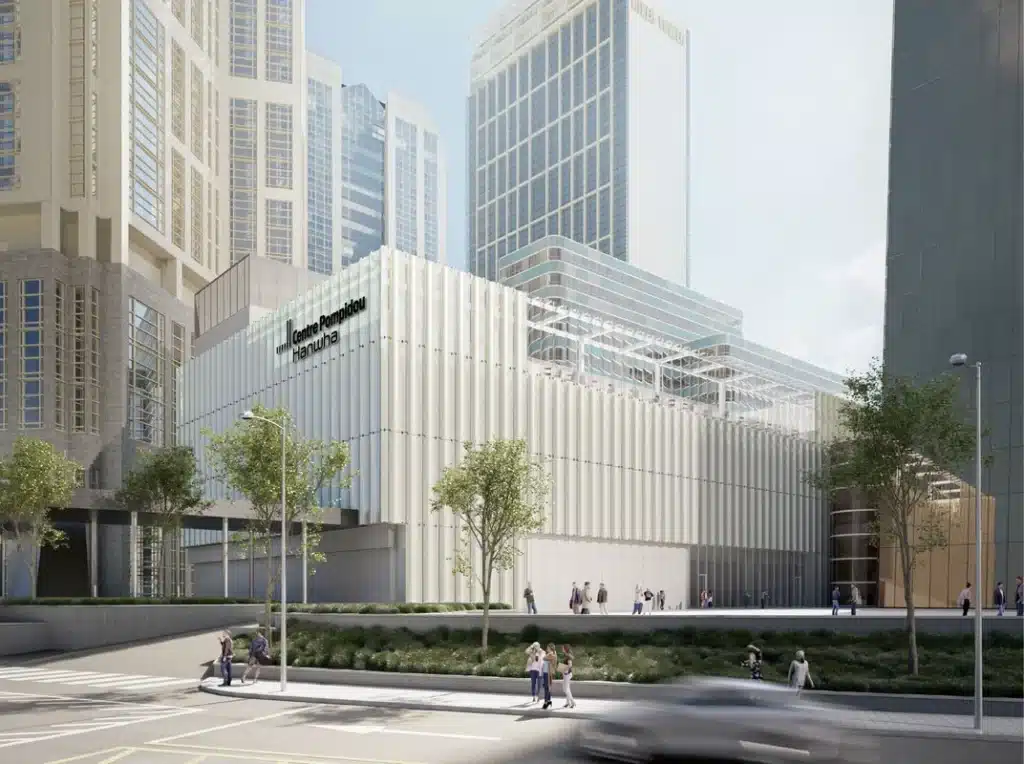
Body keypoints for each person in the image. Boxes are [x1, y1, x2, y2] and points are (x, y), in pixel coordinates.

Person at [559, 644, 576, 709]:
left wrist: (563, 669)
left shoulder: (568, 656)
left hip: (567, 674)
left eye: (563, 648)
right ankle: (567, 703)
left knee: (565, 689)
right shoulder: (566, 655)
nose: (562, 649)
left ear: (565, 649)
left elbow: (570, 665)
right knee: (567, 689)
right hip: (566, 674)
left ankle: (573, 702)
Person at [541, 643, 557, 710]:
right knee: (547, 687)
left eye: (547, 648)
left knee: (546, 688)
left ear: (550, 648)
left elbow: (543, 658)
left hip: (547, 673)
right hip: (546, 673)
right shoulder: (551, 654)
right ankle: (548, 701)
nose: (546, 649)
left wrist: (546, 655)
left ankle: (546, 702)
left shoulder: (551, 654)